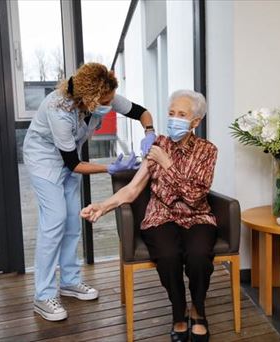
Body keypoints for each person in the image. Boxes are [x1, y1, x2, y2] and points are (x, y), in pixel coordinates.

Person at [23, 62, 157, 322]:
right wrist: (111, 168)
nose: (110, 104)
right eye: (105, 101)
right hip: (44, 161)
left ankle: (70, 281)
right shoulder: (58, 109)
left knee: (73, 221)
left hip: (68, 160)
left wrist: (149, 133)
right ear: (89, 98)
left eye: (111, 99)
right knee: (54, 222)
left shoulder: (104, 95)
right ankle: (43, 295)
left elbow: (142, 112)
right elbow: (73, 163)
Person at [81, 90, 217, 342]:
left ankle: (198, 310)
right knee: (168, 256)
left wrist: (167, 164)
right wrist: (102, 206)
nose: (174, 119)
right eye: (171, 113)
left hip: (197, 216)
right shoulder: (158, 145)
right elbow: (132, 189)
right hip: (160, 217)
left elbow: (195, 197)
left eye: (182, 115)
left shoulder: (207, 151)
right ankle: (179, 313)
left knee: (199, 258)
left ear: (195, 122)